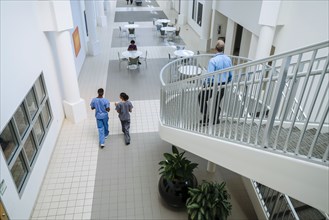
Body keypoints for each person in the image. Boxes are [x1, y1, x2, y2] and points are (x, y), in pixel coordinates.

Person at [198, 39, 232, 125]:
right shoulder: (228, 59)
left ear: (215, 48)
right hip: (223, 84)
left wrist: (205, 84)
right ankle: (215, 119)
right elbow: (231, 74)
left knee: (201, 97)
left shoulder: (213, 60)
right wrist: (226, 81)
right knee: (217, 101)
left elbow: (210, 76)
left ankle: (205, 117)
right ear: (223, 48)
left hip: (213, 84)